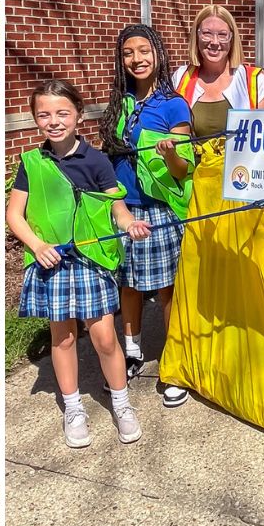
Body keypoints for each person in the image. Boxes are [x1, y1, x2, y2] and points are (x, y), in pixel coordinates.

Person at [7, 78, 150, 448]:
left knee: (104, 336)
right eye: (44, 115)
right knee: (64, 337)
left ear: (78, 115)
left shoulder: (97, 160)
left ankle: (121, 403)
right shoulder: (32, 163)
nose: (53, 121)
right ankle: (73, 409)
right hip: (51, 262)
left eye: (62, 113)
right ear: (36, 119)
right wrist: (37, 245)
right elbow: (15, 215)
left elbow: (116, 208)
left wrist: (130, 224)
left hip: (91, 260)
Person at [161, 5, 264, 407]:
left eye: (222, 34)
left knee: (241, 272)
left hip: (242, 192)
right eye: (206, 33)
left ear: (233, 39)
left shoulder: (253, 79)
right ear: (196, 37)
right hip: (198, 190)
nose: (214, 41)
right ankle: (187, 364)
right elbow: (173, 133)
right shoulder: (181, 78)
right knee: (196, 277)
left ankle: (238, 360)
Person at [98, 25, 190, 379]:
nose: (137, 59)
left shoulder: (173, 105)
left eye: (144, 50)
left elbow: (182, 171)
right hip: (122, 208)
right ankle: (132, 351)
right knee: (128, 284)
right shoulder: (119, 103)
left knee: (168, 288)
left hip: (158, 209)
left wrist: (170, 155)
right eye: (128, 53)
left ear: (159, 54)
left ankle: (174, 359)